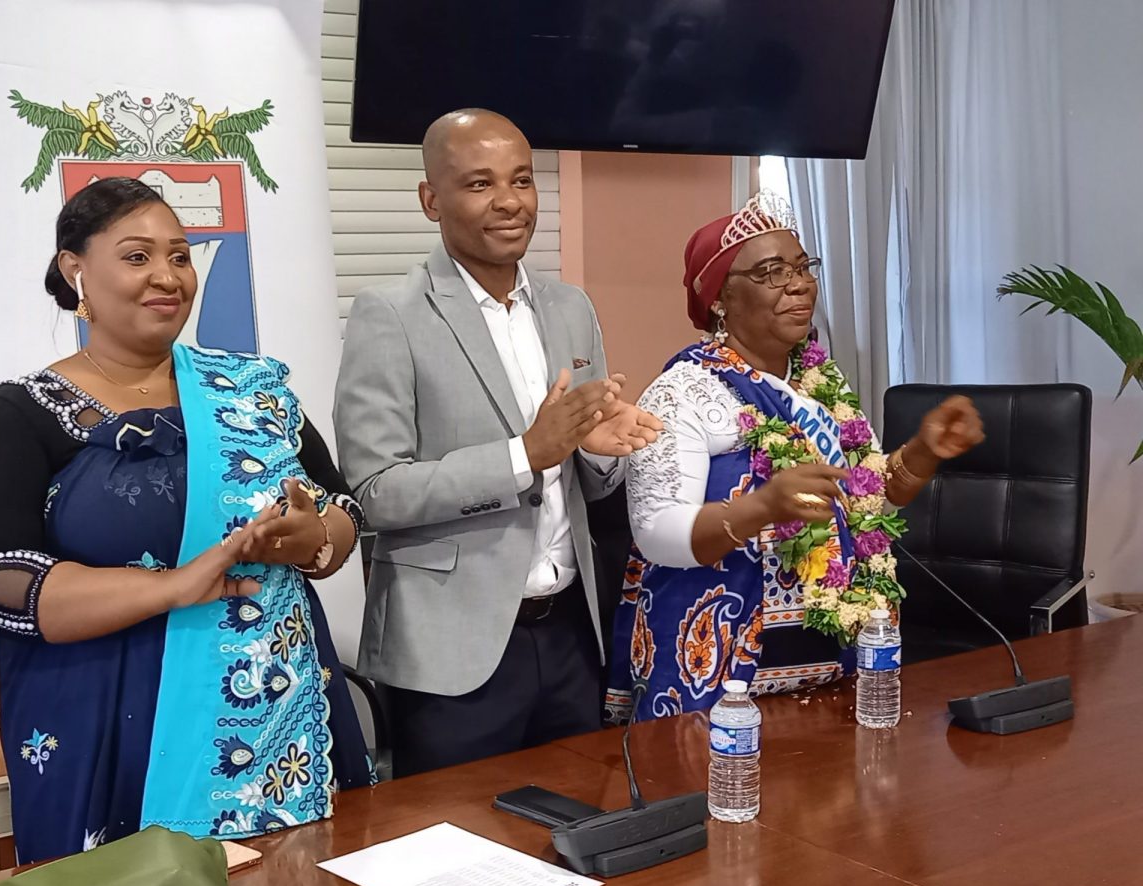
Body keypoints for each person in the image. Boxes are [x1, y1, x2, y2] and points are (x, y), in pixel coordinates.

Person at [0, 177, 373, 860]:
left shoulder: (251, 389)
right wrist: (170, 587)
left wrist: (315, 537)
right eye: (137, 257)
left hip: (279, 716)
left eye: (179, 256)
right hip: (112, 725)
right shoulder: (23, 414)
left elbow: (342, 506)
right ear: (75, 269)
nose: (168, 277)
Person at [333, 109, 662, 776]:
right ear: (431, 200)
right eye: (480, 184)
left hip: (571, 635)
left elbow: (585, 472)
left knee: (580, 823)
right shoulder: (389, 314)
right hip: (451, 651)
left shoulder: (571, 307)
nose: (510, 201)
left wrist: (597, 449)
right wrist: (524, 455)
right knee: (457, 837)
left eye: (522, 179)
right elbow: (375, 492)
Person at [606, 192, 985, 721]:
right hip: (714, 672)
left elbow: (866, 500)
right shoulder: (682, 393)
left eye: (803, 267)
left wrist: (923, 452)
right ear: (720, 298)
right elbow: (657, 534)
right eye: (771, 272)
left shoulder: (818, 384)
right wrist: (762, 507)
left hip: (825, 663)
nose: (799, 284)